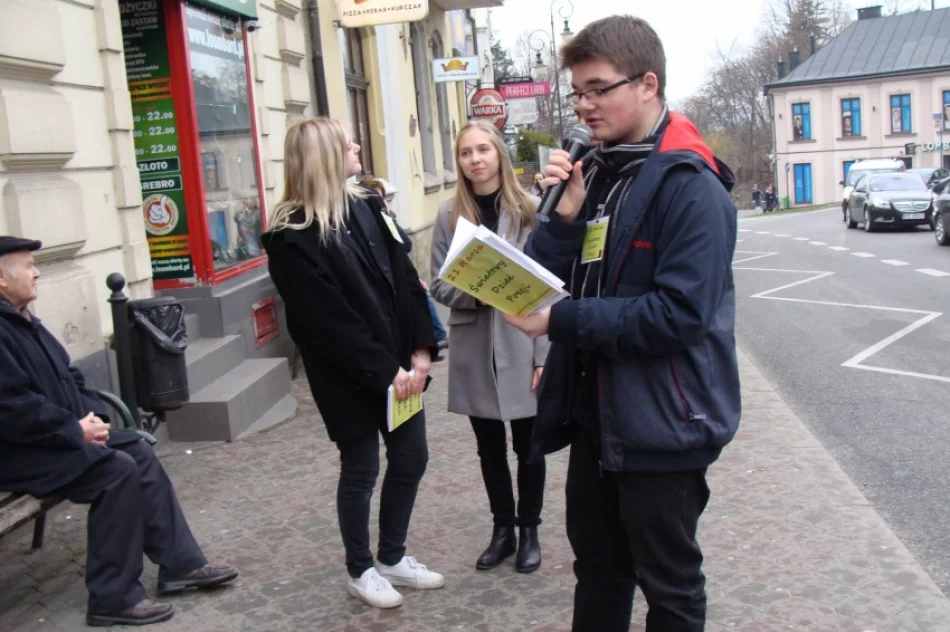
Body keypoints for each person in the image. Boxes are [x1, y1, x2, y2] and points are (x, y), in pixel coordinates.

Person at [503, 16, 740, 631]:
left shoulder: (690, 185)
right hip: (599, 417)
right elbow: (563, 281)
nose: (584, 107)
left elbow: (678, 316)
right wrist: (566, 219)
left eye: (598, 89)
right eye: (577, 92)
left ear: (648, 84)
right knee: (600, 571)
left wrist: (562, 321)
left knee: (670, 586)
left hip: (665, 423)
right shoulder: (602, 174)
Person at [0, 236, 237, 627]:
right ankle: (113, 597)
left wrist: (89, 420)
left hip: (52, 437)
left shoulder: (23, 319)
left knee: (138, 452)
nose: (37, 271)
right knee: (116, 471)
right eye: (27, 266)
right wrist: (73, 430)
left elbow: (70, 378)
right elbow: (11, 408)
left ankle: (180, 565)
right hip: (18, 452)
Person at [262, 118, 443, 610]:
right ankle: (360, 568)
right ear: (324, 157)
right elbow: (328, 323)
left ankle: (392, 556)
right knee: (361, 469)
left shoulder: (367, 205)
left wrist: (422, 350)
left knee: (411, 458)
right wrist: (390, 372)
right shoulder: (289, 238)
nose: (358, 146)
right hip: (351, 378)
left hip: (403, 369)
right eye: (347, 143)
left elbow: (407, 279)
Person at [429, 120, 551, 574]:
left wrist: (544, 356)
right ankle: (502, 528)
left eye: (483, 149)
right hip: (475, 340)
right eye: (466, 153)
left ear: (499, 153)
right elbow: (440, 284)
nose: (475, 159)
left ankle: (530, 529)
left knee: (529, 444)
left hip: (524, 340)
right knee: (488, 446)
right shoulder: (447, 215)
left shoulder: (533, 210)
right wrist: (480, 290)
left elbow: (552, 288)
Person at [359, 175, 449, 361]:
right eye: (377, 199)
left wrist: (388, 218)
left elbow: (405, 244)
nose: (382, 203)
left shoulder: (386, 219)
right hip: (387, 286)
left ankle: (437, 336)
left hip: (400, 275)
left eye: (382, 198)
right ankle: (438, 336)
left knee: (423, 292)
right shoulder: (365, 225)